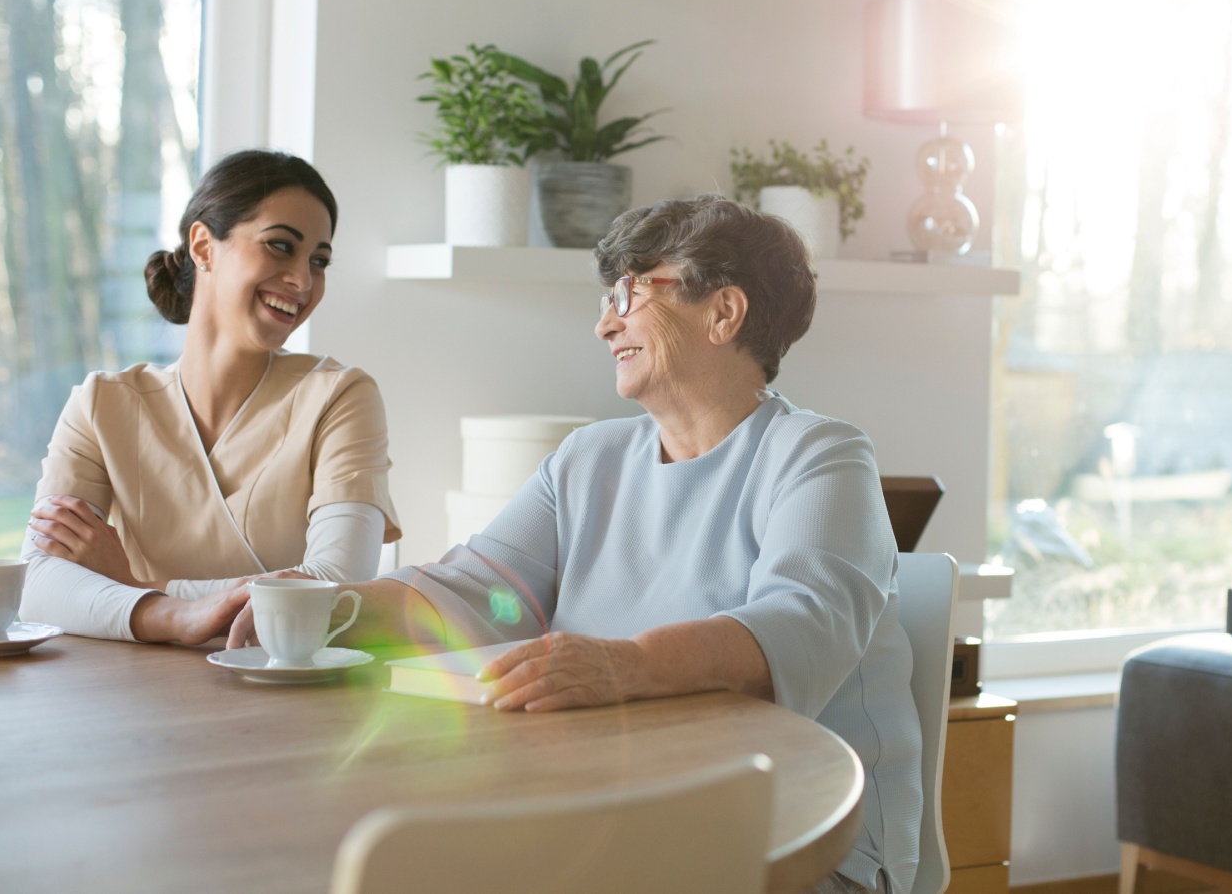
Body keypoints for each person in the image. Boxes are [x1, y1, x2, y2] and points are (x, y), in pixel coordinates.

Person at [235, 195, 919, 894]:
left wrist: (624, 664)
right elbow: (480, 589)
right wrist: (325, 605)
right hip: (621, 816)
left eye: (630, 292)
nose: (603, 323)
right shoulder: (588, 458)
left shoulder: (819, 455)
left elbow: (801, 629)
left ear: (724, 312)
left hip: (795, 840)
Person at [18, 150, 401, 645]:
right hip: (132, 697)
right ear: (203, 246)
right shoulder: (101, 405)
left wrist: (137, 587)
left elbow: (335, 587)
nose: (303, 281)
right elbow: (37, 584)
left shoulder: (340, 397)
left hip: (291, 696)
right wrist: (175, 617)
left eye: (319, 261)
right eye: (281, 246)